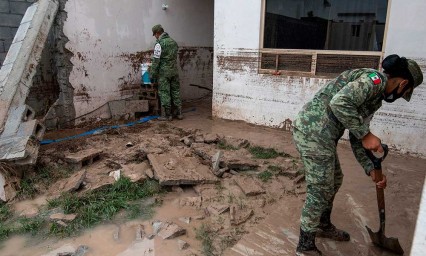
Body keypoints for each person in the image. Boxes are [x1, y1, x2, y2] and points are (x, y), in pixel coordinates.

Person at [292, 54, 423, 256]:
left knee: (335, 180)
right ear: (404, 83)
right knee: (321, 186)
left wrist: (370, 168)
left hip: (324, 134)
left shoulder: (376, 98)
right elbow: (339, 103)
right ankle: (305, 245)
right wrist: (366, 134)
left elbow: (357, 137)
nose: (401, 95)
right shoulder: (373, 82)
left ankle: (322, 225)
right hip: (312, 130)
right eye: (405, 91)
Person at [150, 24, 183, 121]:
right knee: (175, 91)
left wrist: (152, 74)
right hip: (174, 71)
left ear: (157, 33)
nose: (155, 36)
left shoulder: (159, 44)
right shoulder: (173, 42)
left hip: (164, 73)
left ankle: (167, 115)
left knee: (164, 92)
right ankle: (179, 113)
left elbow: (156, 61)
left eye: (155, 34)